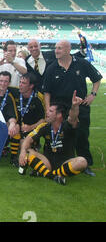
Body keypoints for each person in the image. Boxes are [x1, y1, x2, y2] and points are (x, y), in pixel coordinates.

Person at [42, 39, 102, 176]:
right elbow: (47, 92)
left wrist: (93, 94)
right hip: (61, 109)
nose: (56, 51)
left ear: (68, 50)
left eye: (59, 48)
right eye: (56, 48)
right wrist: (48, 109)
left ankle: (85, 164)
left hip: (80, 107)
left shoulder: (81, 63)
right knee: (63, 136)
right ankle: (65, 162)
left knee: (82, 134)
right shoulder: (51, 68)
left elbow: (97, 79)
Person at [19, 91, 87, 186]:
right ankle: (55, 176)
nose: (47, 112)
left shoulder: (67, 126)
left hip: (65, 163)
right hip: (47, 162)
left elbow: (72, 117)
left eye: (50, 111)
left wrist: (74, 106)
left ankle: (47, 173)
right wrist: (22, 152)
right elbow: (28, 139)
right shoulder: (44, 126)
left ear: (59, 115)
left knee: (82, 161)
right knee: (27, 151)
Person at [0, 71, 20, 160]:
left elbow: (12, 116)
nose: (3, 84)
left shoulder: (9, 97)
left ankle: (13, 157)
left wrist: (12, 125)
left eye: (6, 81)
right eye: (1, 81)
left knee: (15, 127)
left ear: (9, 83)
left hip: (1, 124)